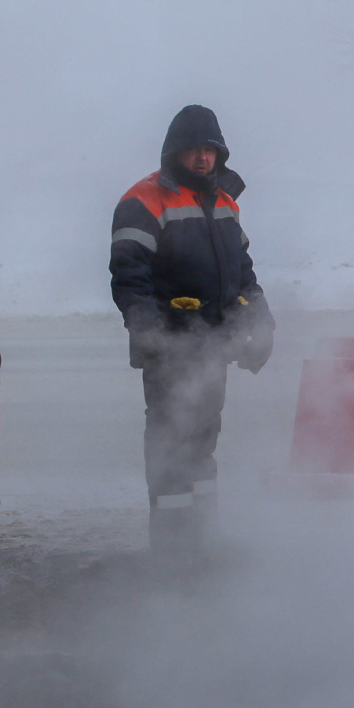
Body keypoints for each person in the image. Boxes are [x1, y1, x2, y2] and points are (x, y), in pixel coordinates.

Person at [110, 104, 274, 553]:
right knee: (171, 445)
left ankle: (203, 537)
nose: (203, 159)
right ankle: (172, 549)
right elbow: (129, 278)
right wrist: (151, 333)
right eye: (194, 150)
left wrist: (261, 322)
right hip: (171, 350)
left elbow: (243, 271)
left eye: (210, 150)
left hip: (212, 348)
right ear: (174, 152)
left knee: (202, 442)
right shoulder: (143, 201)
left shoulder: (223, 202)